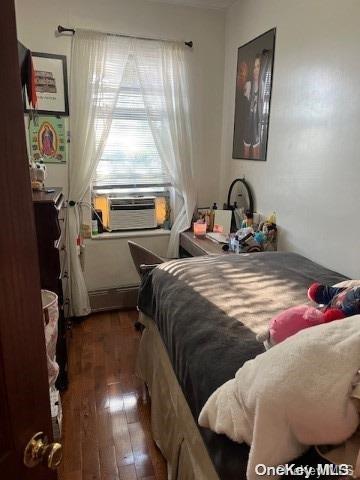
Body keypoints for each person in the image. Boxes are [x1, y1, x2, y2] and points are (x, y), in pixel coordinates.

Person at [243, 54, 261, 159]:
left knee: (256, 154)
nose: (255, 70)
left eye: (258, 66)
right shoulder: (249, 85)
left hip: (256, 125)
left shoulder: (263, 85)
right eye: (254, 67)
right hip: (248, 123)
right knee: (246, 153)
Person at [233, 61, 250, 158]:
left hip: (239, 148)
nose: (242, 78)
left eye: (244, 76)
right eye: (240, 74)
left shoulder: (245, 102)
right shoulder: (232, 99)